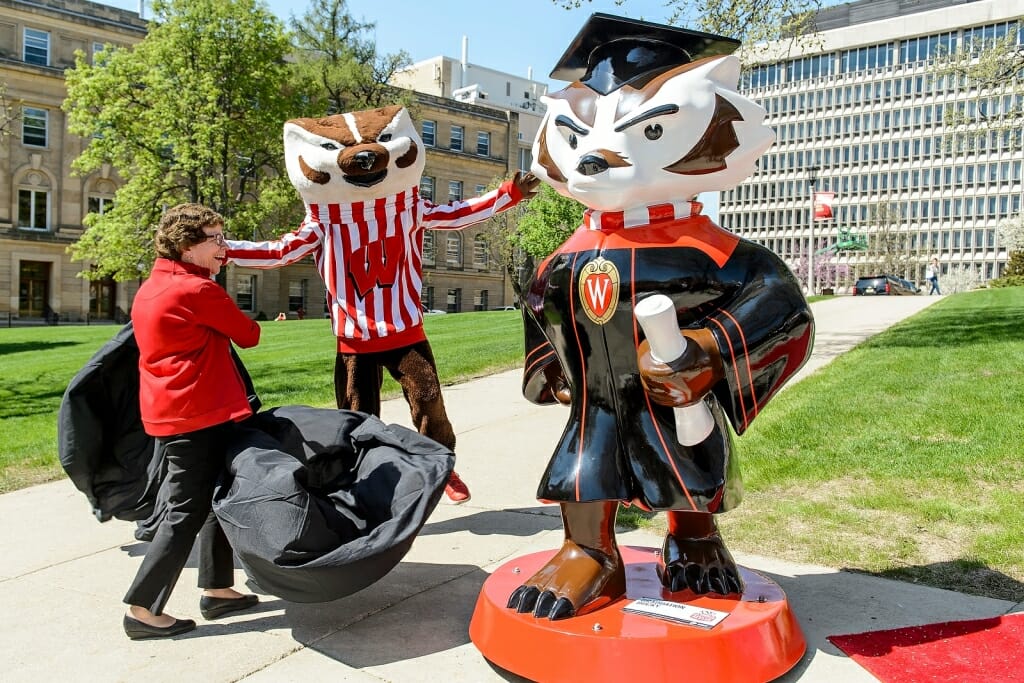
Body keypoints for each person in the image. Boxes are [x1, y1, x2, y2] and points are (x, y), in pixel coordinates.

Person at [124, 203, 262, 640]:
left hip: (176, 411)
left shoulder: (152, 286)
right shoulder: (198, 292)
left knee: (214, 497)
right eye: (215, 239)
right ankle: (142, 608)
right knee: (185, 510)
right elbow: (249, 335)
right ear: (187, 246)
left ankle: (219, 589)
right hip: (198, 414)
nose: (225, 247)